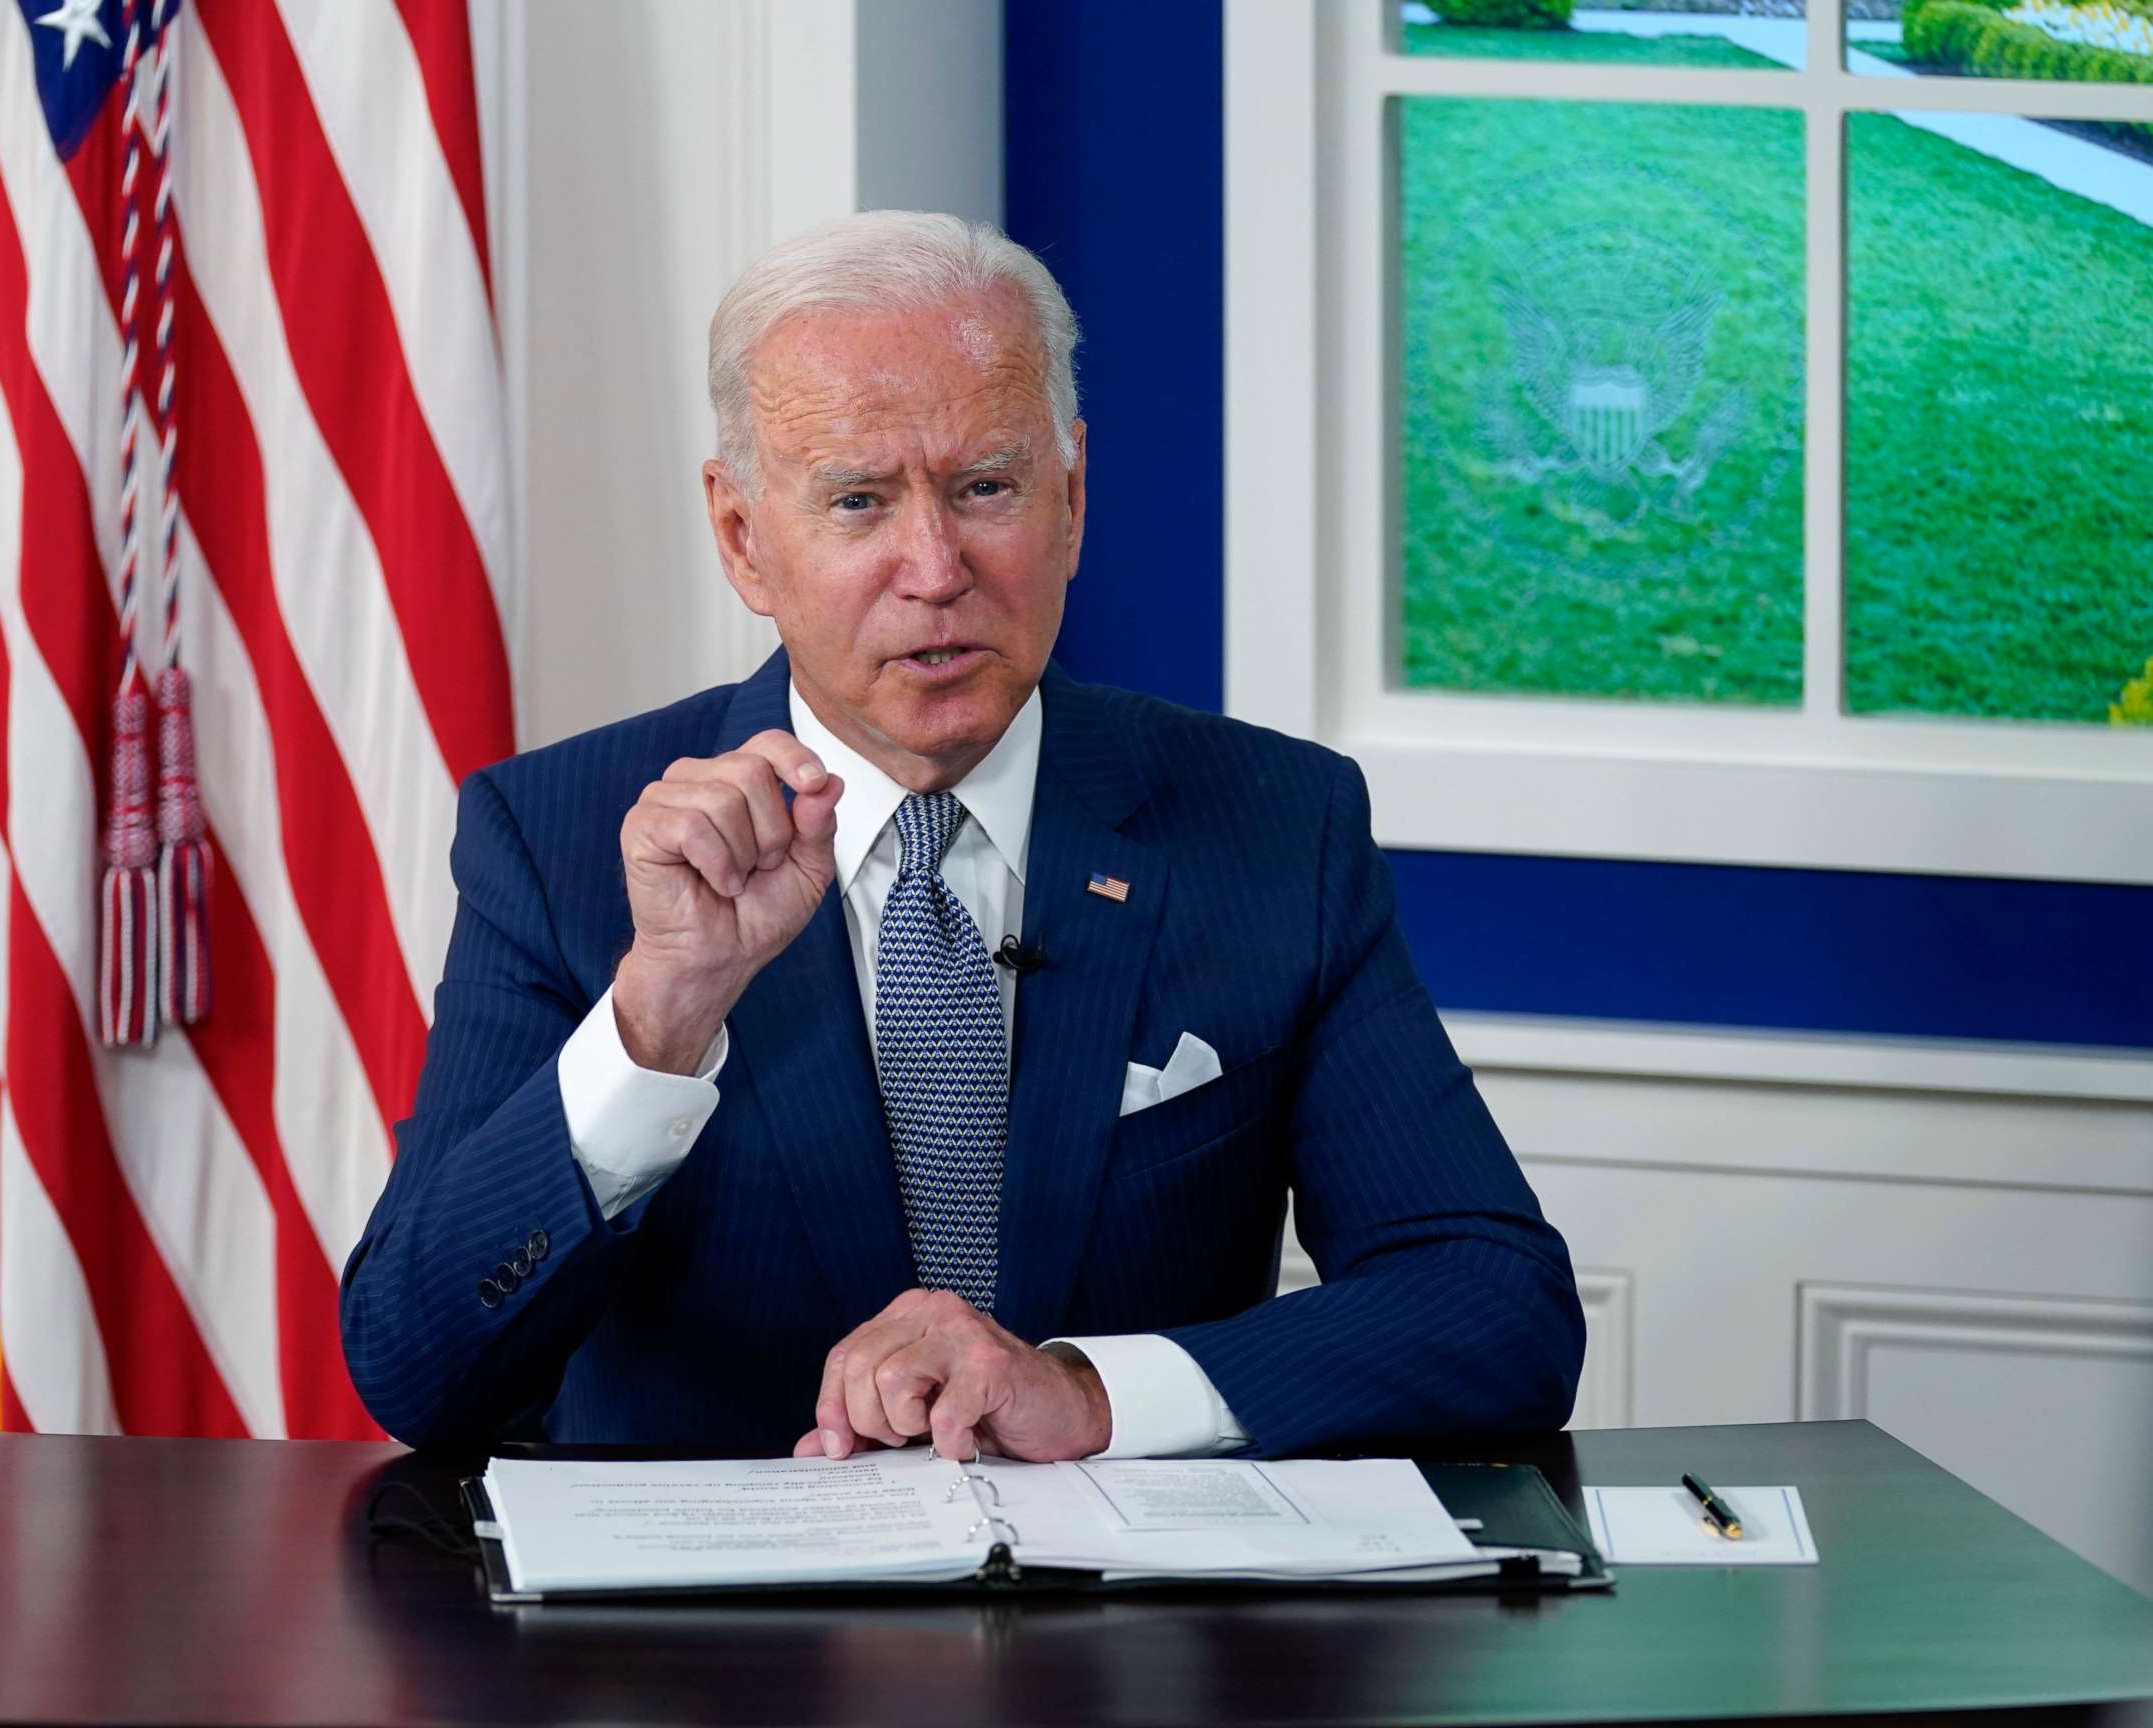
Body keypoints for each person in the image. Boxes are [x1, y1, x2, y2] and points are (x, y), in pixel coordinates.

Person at [339, 211, 1581, 1462]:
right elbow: (417, 1369)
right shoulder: (559, 838)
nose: (934, 568)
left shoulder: (1272, 823)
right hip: (710, 1647)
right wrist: (658, 1017)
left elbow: (1497, 1308)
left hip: (1131, 1639)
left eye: (987, 488)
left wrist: (1092, 1393)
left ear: (1073, 499)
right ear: (742, 538)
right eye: (859, 502)